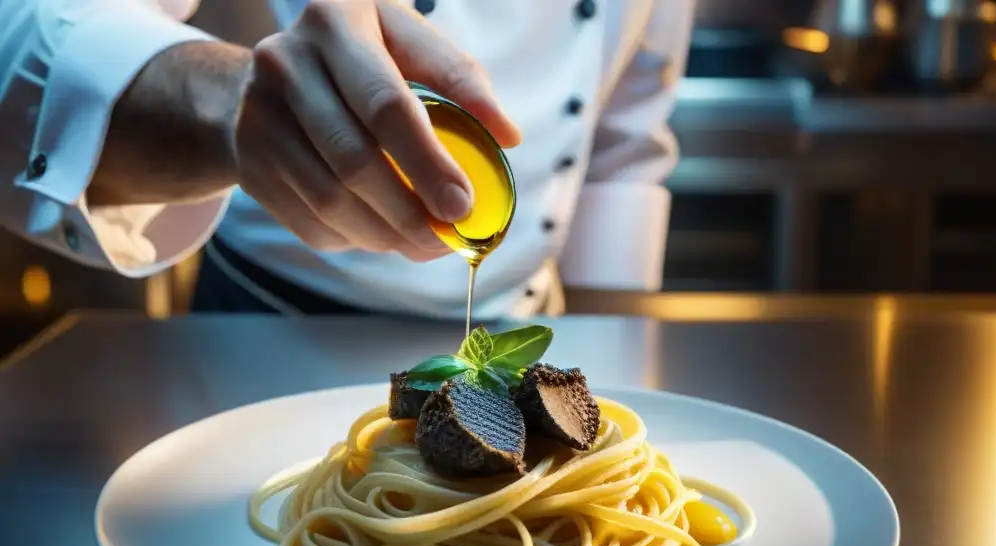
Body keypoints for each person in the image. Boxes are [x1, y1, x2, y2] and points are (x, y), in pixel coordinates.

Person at [0, 0, 695, 320]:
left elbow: (624, 143)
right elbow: (26, 23)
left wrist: (615, 348)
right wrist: (229, 103)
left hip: (532, 326)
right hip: (263, 331)